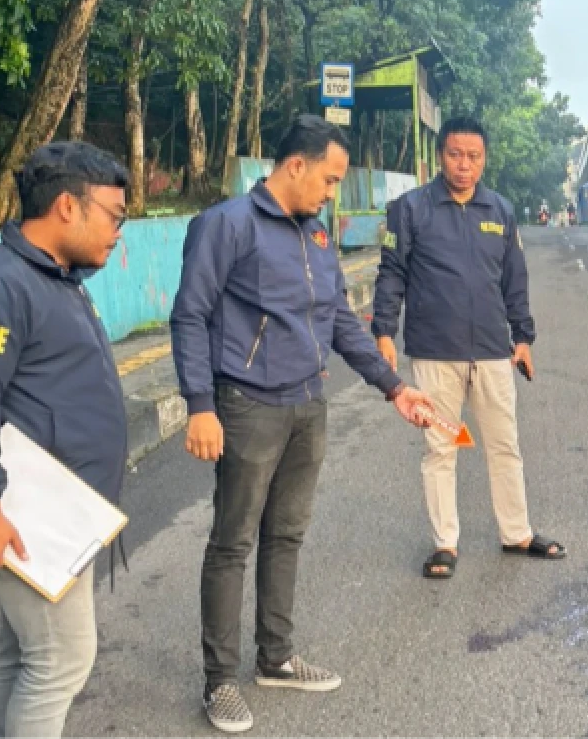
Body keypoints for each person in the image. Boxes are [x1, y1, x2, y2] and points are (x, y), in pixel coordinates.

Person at [170, 114, 433, 733]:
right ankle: (219, 681)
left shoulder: (315, 234)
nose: (332, 192)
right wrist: (200, 404)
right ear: (295, 165)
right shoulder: (227, 224)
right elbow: (190, 315)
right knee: (233, 540)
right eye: (330, 179)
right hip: (247, 406)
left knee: (287, 534)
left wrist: (394, 387)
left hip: (308, 404)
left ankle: (277, 657)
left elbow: (339, 318)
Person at [0, 142, 129, 739]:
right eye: (114, 215)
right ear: (68, 206)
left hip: (60, 512)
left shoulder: (57, 277)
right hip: (25, 515)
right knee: (61, 661)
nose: (118, 231)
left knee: (24, 656)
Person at [373, 116, 566, 580]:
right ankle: (445, 543)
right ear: (441, 156)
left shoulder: (500, 211)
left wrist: (523, 338)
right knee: (441, 447)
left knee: (504, 444)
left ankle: (517, 533)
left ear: (485, 159)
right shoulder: (411, 209)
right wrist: (383, 333)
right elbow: (392, 273)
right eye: (456, 155)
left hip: (493, 352)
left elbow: (514, 278)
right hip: (435, 353)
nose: (464, 165)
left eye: (474, 156)